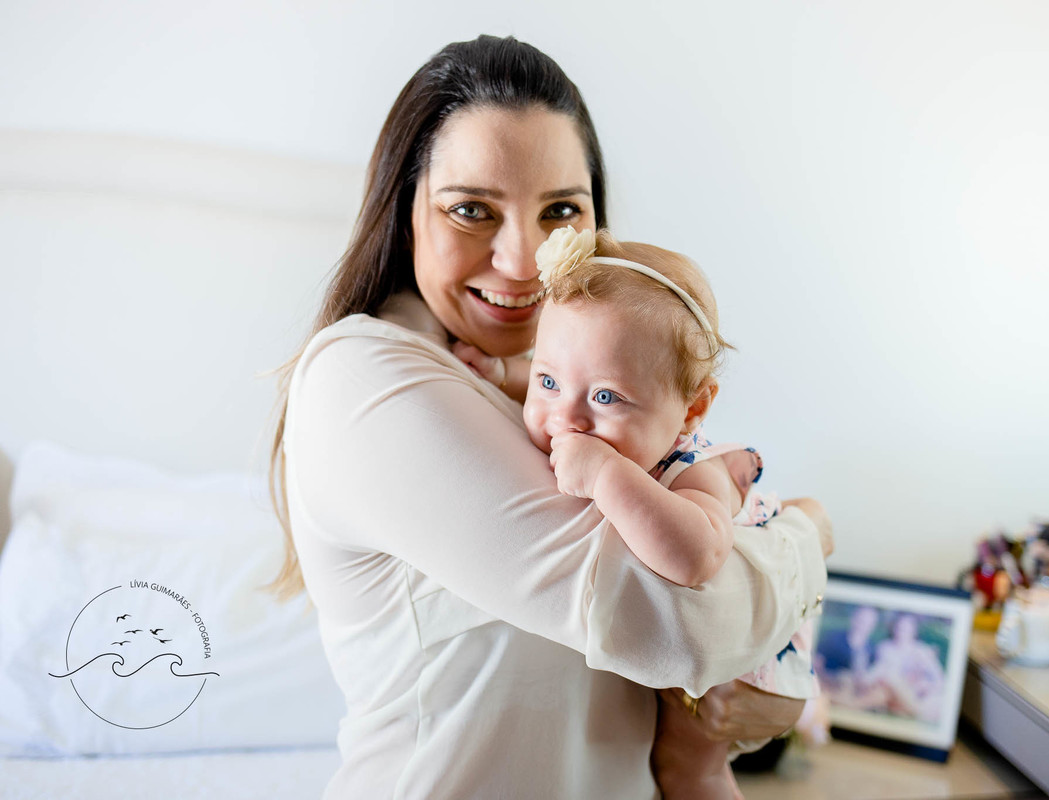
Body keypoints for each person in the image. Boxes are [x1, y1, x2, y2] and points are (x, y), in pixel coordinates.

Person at [268, 34, 831, 798]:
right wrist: (807, 537)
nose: (524, 259)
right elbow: (684, 626)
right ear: (404, 214)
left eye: (561, 210)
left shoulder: (594, 392)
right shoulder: (363, 381)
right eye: (471, 209)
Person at [459, 226, 818, 799]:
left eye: (606, 398)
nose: (566, 418)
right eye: (548, 381)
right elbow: (571, 373)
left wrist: (606, 475)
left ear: (692, 409)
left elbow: (698, 557)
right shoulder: (573, 403)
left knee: (686, 768)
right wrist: (504, 376)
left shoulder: (692, 472)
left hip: (749, 651)